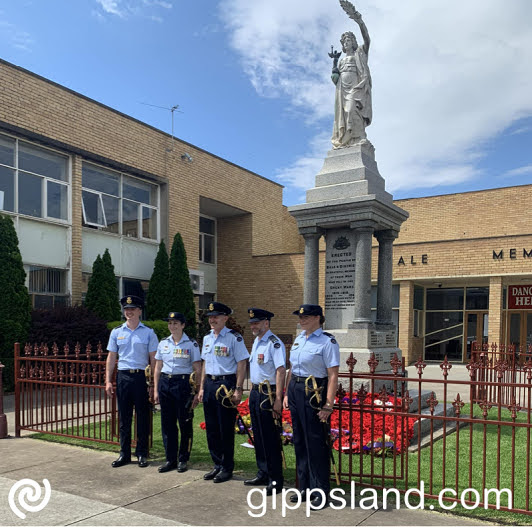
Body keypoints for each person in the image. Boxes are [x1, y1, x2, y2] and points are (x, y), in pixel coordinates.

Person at [283, 304, 340, 510]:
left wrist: (328, 404)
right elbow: (292, 369)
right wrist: (287, 393)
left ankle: (320, 491)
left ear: (317, 317)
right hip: (297, 390)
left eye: (305, 316)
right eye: (300, 317)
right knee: (299, 440)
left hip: (314, 392)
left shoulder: (327, 341)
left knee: (315, 442)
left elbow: (333, 375)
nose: (301, 320)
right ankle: (303, 487)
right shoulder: (299, 339)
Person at [198, 302, 249, 483]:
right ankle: (217, 464)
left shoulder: (234, 338)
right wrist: (202, 387)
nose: (212, 320)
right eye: (210, 317)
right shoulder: (207, 338)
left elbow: (242, 363)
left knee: (225, 428)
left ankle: (227, 468)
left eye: (216, 316)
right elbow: (205, 363)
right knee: (211, 428)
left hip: (226, 384)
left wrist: (238, 388)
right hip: (210, 384)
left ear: (225, 318)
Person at [106, 295, 158, 468]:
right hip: (123, 377)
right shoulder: (117, 332)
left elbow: (154, 360)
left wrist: (153, 385)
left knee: (142, 417)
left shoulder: (149, 333)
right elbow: (112, 357)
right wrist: (108, 381)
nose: (129, 312)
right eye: (126, 309)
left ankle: (142, 453)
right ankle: (124, 453)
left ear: (139, 311)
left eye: (132, 309)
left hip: (141, 377)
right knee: (124, 417)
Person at [244, 308, 286, 495]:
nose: (253, 326)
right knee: (258, 437)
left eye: (257, 322)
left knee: (270, 437)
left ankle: (276, 478)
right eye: (252, 322)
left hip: (269, 394)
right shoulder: (256, 341)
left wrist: (278, 399)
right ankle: (263, 472)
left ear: (266, 323)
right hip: (256, 393)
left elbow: (280, 371)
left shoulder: (274, 343)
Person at [153, 312, 201, 474]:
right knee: (167, 424)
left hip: (183, 384)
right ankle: (170, 459)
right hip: (166, 383)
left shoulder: (191, 344)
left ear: (183, 325)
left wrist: (196, 391)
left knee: (185, 423)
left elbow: (197, 368)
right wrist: (156, 389)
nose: (172, 326)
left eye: (175, 323)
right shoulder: (163, 343)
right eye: (170, 323)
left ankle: (183, 459)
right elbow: (158, 367)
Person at [331, 7, 372, 149]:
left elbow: (367, 40)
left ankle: (359, 136)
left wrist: (359, 21)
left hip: (357, 87)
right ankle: (347, 139)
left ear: (354, 42)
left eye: (349, 39)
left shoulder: (359, 53)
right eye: (344, 41)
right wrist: (334, 64)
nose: (346, 42)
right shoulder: (342, 60)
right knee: (343, 114)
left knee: (352, 109)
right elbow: (335, 78)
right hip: (342, 89)